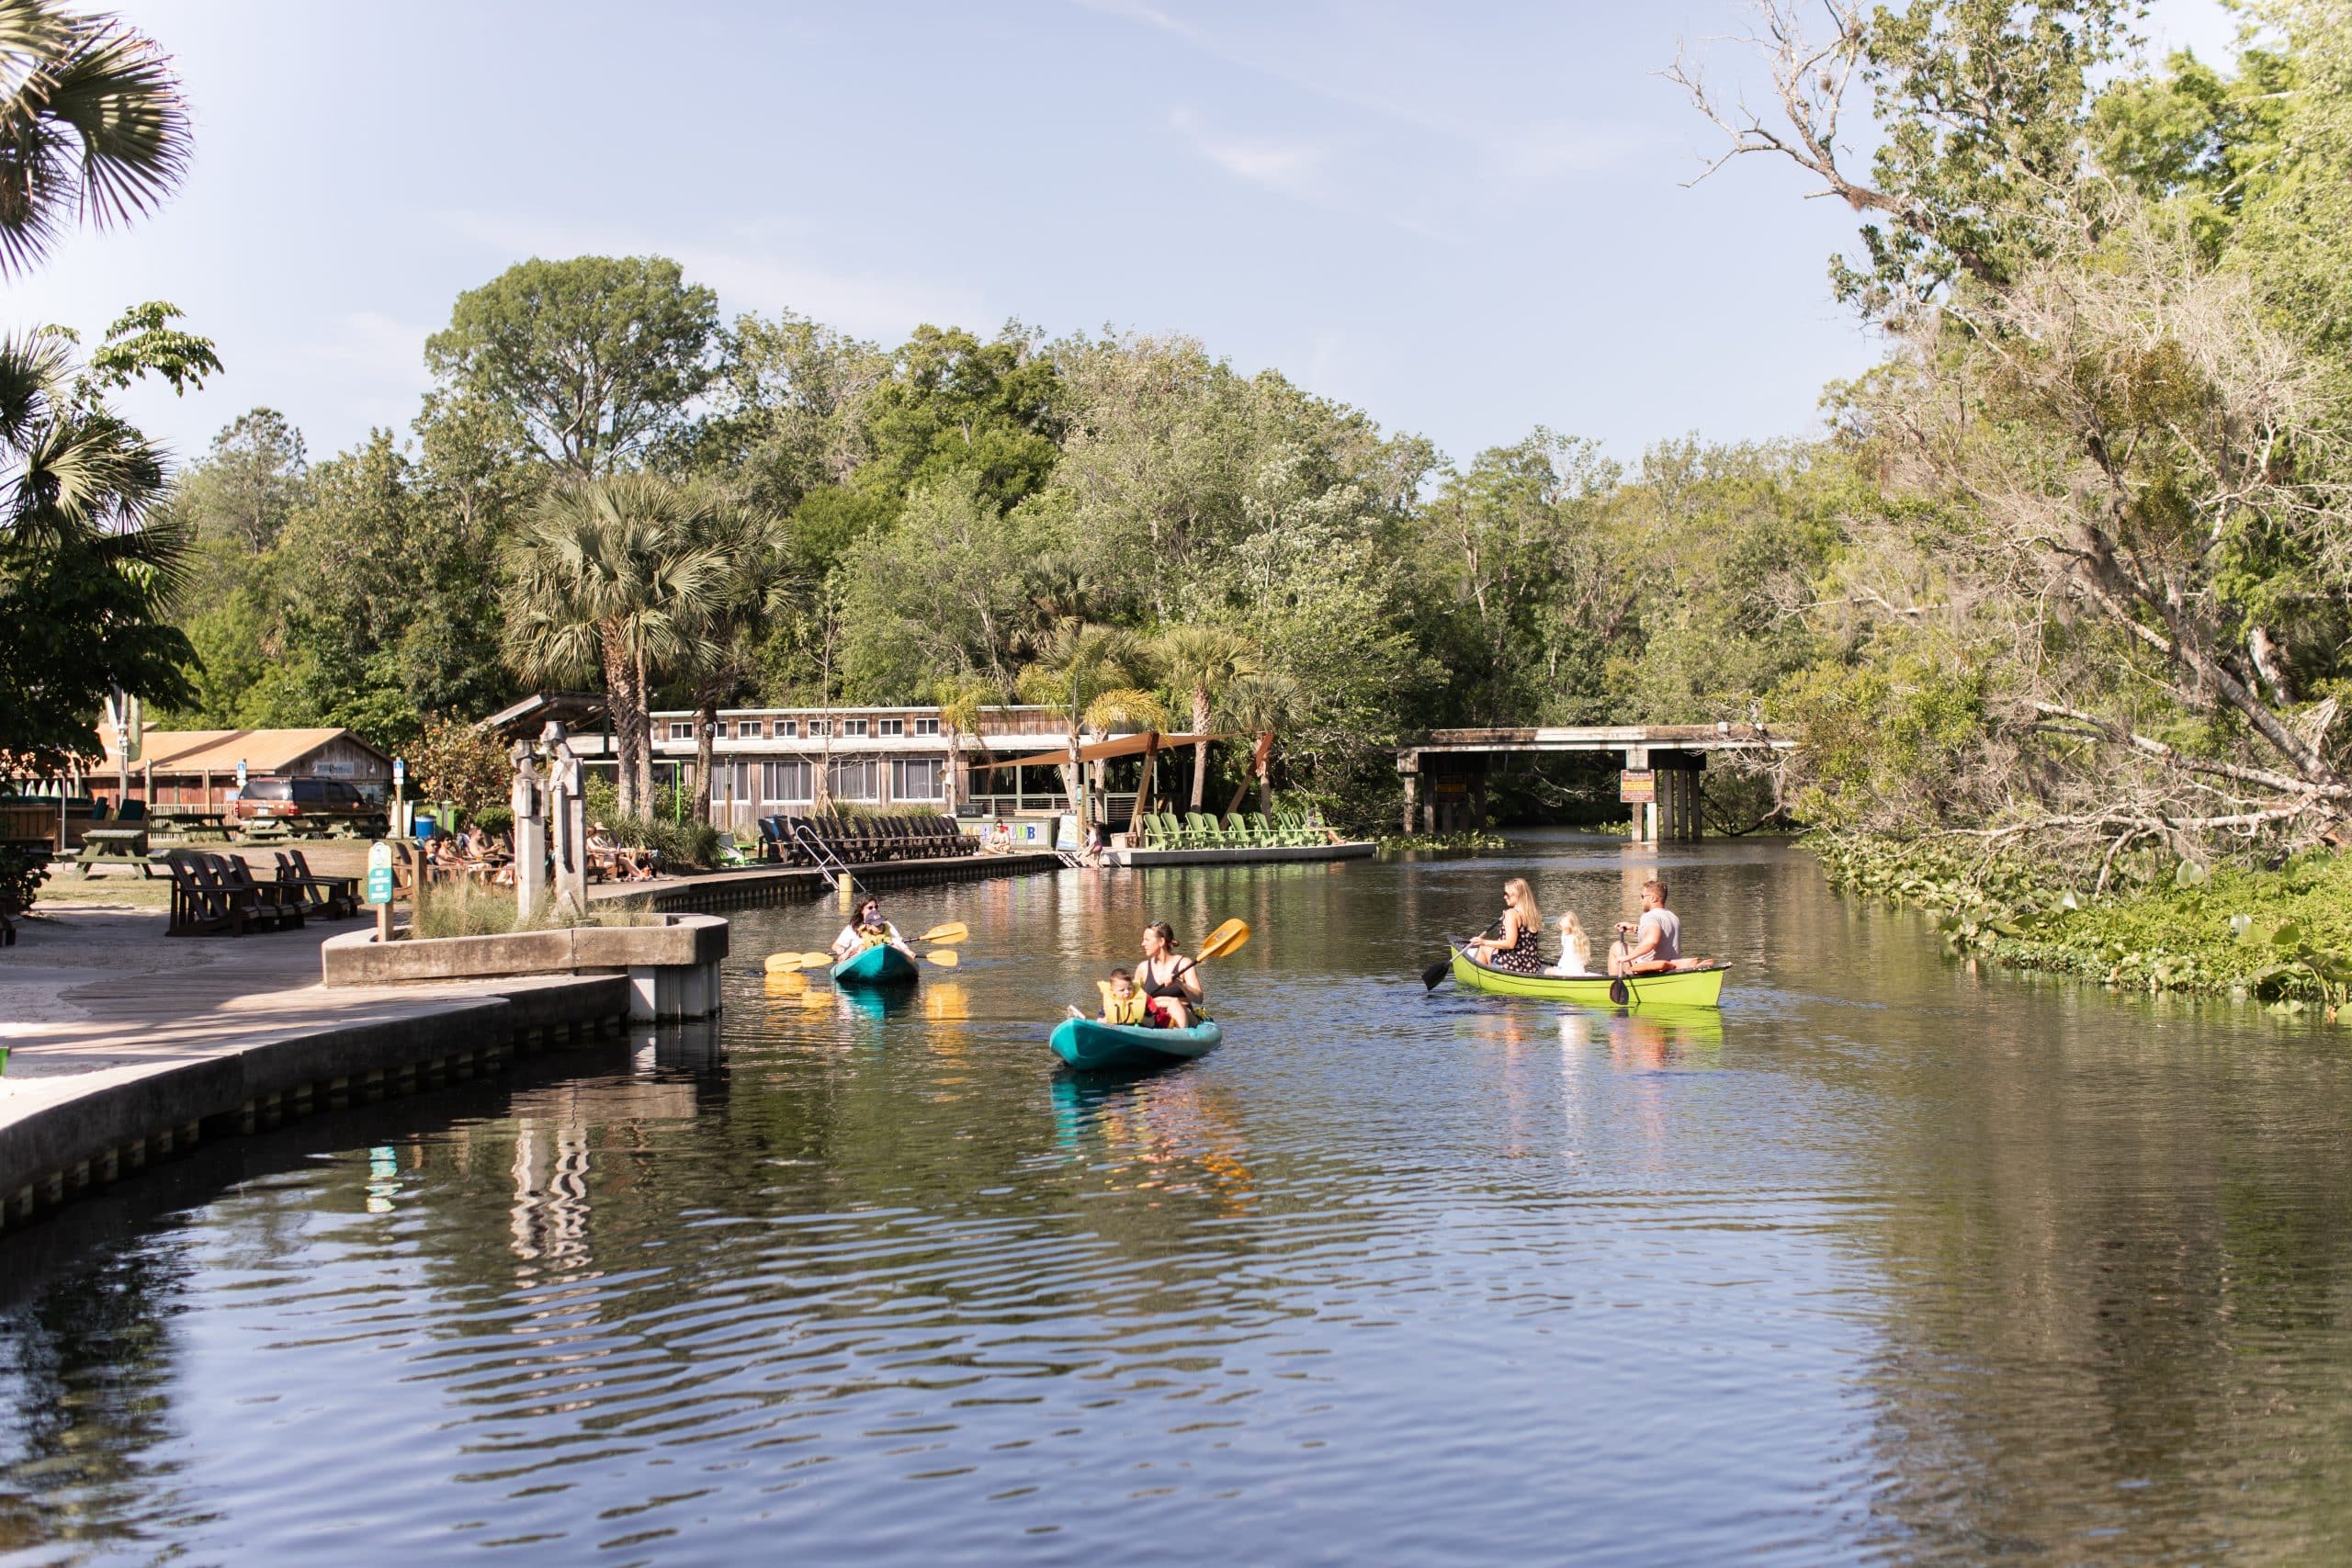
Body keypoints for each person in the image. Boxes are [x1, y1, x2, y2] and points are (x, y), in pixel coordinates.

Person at [1464, 877, 1545, 975]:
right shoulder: (1533, 913)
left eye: (1506, 894)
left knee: (1483, 948)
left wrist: (1482, 941)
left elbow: (1510, 944)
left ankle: (1481, 978)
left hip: (1512, 966)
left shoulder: (1512, 914)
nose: (1504, 897)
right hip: (1532, 966)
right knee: (1491, 949)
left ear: (1517, 895)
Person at [1135, 919, 1204, 1029]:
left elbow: (1199, 998)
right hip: (1155, 1014)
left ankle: (1179, 1037)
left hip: (1183, 1013)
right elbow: (1135, 999)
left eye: (1147, 940)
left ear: (1161, 942)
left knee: (1174, 1003)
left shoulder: (1184, 964)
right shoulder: (1142, 968)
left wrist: (1179, 983)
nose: (1143, 944)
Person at [1608, 878, 1682, 976]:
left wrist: (1627, 957)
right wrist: (1635, 928)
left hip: (1652, 970)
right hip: (1671, 968)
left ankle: (1613, 987)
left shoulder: (1649, 916)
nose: (1640, 900)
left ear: (1653, 898)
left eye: (1643, 896)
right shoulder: (1673, 917)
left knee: (1617, 947)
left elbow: (1652, 941)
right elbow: (1661, 933)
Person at [831, 897, 912, 962]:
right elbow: (836, 945)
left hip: (887, 957)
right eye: (870, 907)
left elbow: (897, 941)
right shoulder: (852, 927)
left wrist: (907, 951)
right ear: (861, 910)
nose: (874, 909)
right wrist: (840, 949)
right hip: (861, 957)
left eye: (876, 907)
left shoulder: (885, 924)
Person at [1069, 967, 1149, 1025]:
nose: (1127, 992)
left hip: (1135, 1029)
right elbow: (1099, 1020)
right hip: (1114, 1029)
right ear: (1112, 990)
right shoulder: (1107, 1005)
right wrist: (1104, 1020)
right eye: (1122, 990)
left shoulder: (1140, 1001)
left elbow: (1150, 1019)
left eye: (1130, 988)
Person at [1546, 912, 1593, 977]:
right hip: (1579, 972)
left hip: (1567, 972)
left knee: (1547, 971)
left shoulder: (1566, 938)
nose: (1562, 931)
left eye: (1563, 928)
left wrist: (1558, 968)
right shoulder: (1580, 938)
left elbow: (1565, 961)